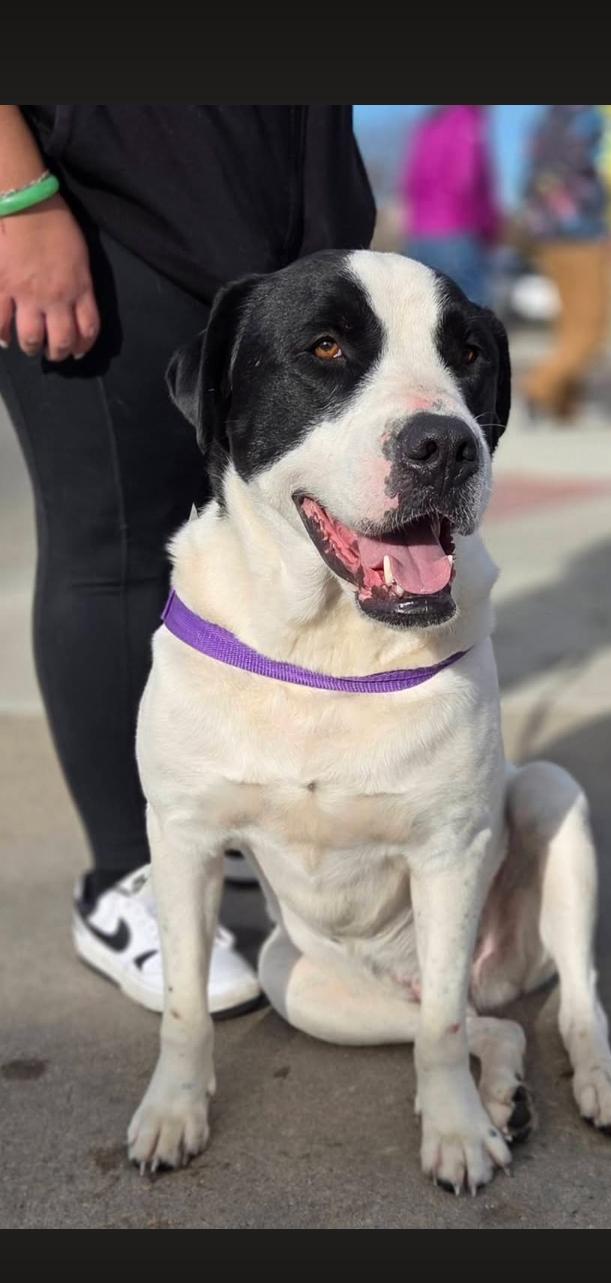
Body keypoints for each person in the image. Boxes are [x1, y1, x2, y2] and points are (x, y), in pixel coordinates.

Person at [0, 104, 375, 1016]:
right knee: (115, 546)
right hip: (94, 207)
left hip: (278, 216)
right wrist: (18, 197)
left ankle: (227, 827)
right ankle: (126, 881)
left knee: (253, 541)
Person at [519, 105, 611, 422]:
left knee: (570, 326)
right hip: (581, 231)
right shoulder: (585, 116)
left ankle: (564, 408)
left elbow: (533, 174)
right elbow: (586, 167)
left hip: (548, 232)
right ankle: (539, 387)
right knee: (592, 328)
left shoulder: (548, 118)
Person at [401, 104, 500, 306]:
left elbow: (410, 181)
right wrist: (489, 227)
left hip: (420, 236)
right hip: (456, 231)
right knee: (472, 316)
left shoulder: (429, 124)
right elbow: (466, 179)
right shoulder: (466, 119)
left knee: (424, 312)